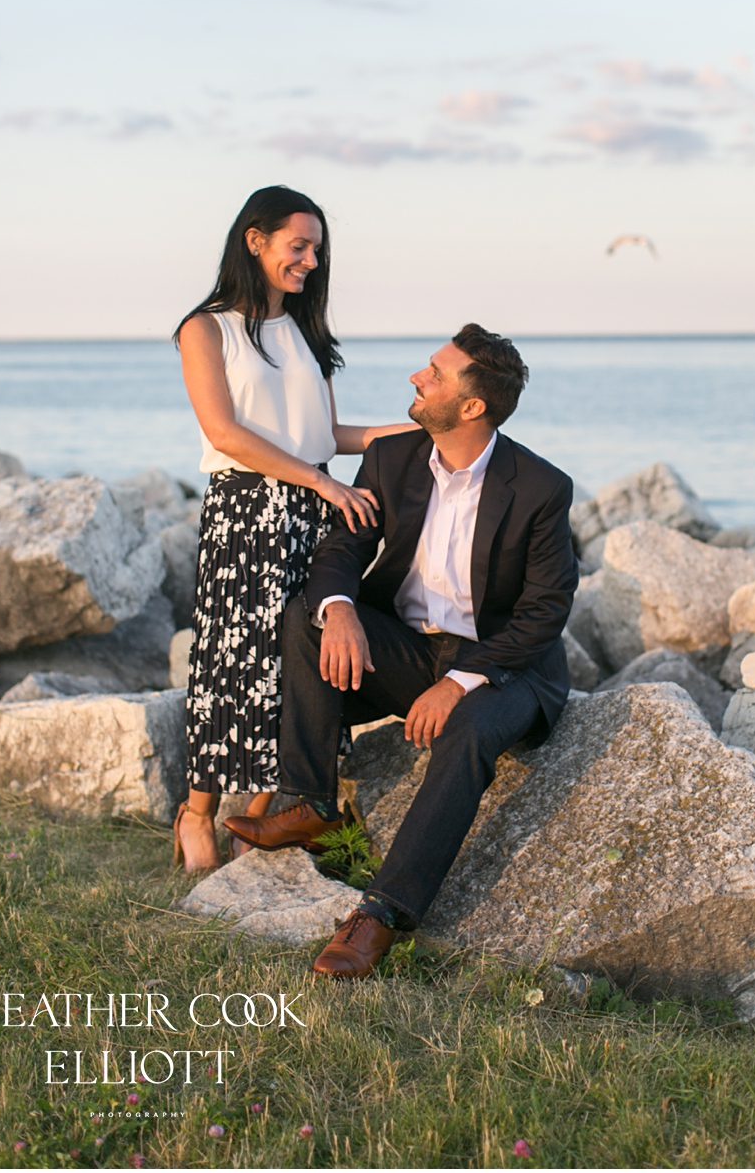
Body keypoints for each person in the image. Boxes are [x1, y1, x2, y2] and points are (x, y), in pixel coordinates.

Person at [223, 324, 576, 979]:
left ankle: (381, 913)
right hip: (411, 650)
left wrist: (462, 680)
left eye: (435, 374)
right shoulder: (394, 457)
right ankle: (314, 806)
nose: (418, 379)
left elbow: (544, 613)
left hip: (505, 668)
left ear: (474, 407)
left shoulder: (539, 488)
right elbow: (341, 551)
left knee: (468, 731)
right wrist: (343, 611)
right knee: (308, 617)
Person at [173, 186, 415, 873]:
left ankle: (254, 818)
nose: (310, 261)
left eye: (317, 250)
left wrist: (423, 430)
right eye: (298, 246)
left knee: (293, 669)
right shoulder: (205, 329)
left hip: (309, 515)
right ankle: (196, 813)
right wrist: (319, 481)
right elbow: (225, 432)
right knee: (234, 663)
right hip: (246, 514)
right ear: (256, 239)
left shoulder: (306, 333)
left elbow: (330, 435)